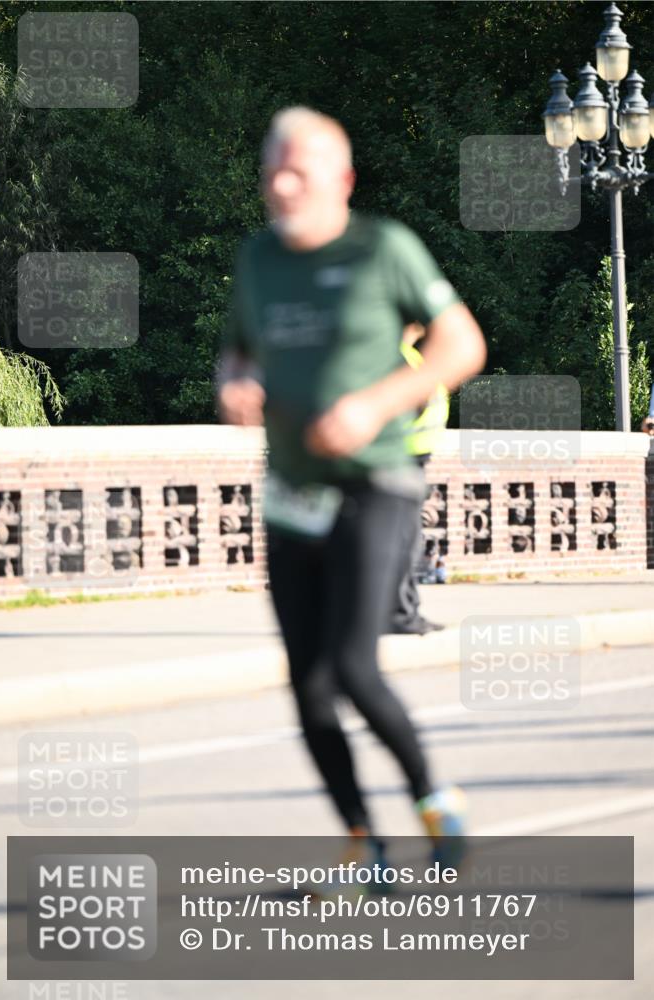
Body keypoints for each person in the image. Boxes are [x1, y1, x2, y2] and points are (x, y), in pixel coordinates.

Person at [218, 107, 486, 870]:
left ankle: (433, 798)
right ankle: (361, 846)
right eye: (272, 167)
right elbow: (236, 354)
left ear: (342, 179)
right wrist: (236, 385)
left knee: (352, 669)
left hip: (377, 482)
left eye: (298, 168)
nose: (281, 182)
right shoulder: (256, 259)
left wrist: (372, 404)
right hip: (291, 492)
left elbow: (461, 343)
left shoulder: (383, 249)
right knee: (305, 687)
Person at [389, 323, 449, 635]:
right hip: (401, 460)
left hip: (409, 458)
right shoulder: (399, 358)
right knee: (403, 540)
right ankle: (401, 615)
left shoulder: (407, 357)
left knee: (404, 539)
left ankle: (404, 611)